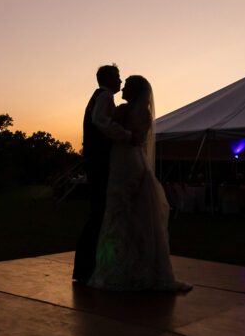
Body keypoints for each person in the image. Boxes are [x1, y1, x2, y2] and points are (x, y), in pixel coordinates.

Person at [88, 75, 191, 292]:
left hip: (123, 160)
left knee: (120, 212)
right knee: (134, 212)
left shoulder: (124, 111)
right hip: (134, 160)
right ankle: (141, 266)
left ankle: (117, 268)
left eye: (126, 86)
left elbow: (115, 131)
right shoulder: (142, 113)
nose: (122, 89)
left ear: (133, 91)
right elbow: (139, 137)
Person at [73, 64, 131, 284]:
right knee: (98, 212)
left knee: (99, 212)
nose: (121, 81)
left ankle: (89, 266)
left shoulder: (100, 96)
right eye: (117, 76)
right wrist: (125, 135)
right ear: (108, 79)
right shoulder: (105, 96)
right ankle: (87, 267)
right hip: (99, 162)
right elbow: (100, 121)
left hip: (95, 160)